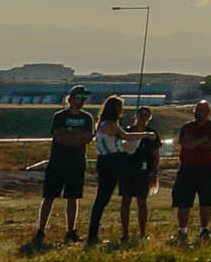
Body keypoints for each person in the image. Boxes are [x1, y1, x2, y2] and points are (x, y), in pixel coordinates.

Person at [32, 86, 94, 244]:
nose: (82, 101)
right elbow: (59, 136)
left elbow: (88, 137)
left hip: (77, 163)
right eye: (80, 98)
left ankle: (70, 230)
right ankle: (41, 230)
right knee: (49, 197)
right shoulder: (59, 116)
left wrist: (71, 136)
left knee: (73, 198)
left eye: (84, 98)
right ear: (71, 98)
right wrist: (75, 138)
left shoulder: (87, 118)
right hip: (58, 162)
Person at [171, 98, 211, 241]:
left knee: (206, 201)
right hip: (187, 168)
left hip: (207, 167)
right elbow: (185, 145)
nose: (198, 113)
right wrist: (203, 139)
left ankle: (204, 229)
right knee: (183, 202)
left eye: (202, 111)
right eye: (197, 110)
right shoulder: (186, 127)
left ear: (208, 112)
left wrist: (195, 142)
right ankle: (182, 230)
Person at [87, 95, 134, 243]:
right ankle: (92, 234)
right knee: (103, 198)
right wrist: (146, 135)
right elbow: (126, 136)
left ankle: (93, 233)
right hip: (111, 161)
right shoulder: (111, 125)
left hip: (104, 161)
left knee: (102, 198)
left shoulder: (102, 123)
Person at [122, 106, 160, 240]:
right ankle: (124, 232)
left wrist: (154, 172)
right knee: (125, 201)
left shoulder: (152, 134)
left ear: (149, 118)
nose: (142, 118)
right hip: (128, 170)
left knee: (142, 202)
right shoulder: (127, 132)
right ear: (136, 116)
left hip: (144, 171)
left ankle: (143, 233)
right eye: (141, 115)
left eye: (146, 116)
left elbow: (156, 154)